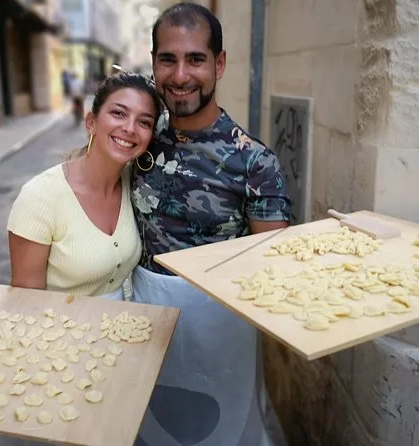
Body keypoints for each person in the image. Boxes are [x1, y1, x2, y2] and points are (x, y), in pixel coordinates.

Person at [130, 3, 291, 446]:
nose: (180, 75)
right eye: (168, 59)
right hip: (144, 324)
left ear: (218, 64)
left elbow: (275, 270)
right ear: (154, 63)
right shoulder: (138, 139)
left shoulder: (255, 163)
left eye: (195, 59)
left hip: (220, 335)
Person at [0, 72, 160, 446]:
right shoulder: (41, 196)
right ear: (91, 121)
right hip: (53, 352)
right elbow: (26, 303)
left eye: (144, 121)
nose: (130, 128)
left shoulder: (135, 183)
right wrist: (57, 373)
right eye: (118, 113)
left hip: (114, 348)